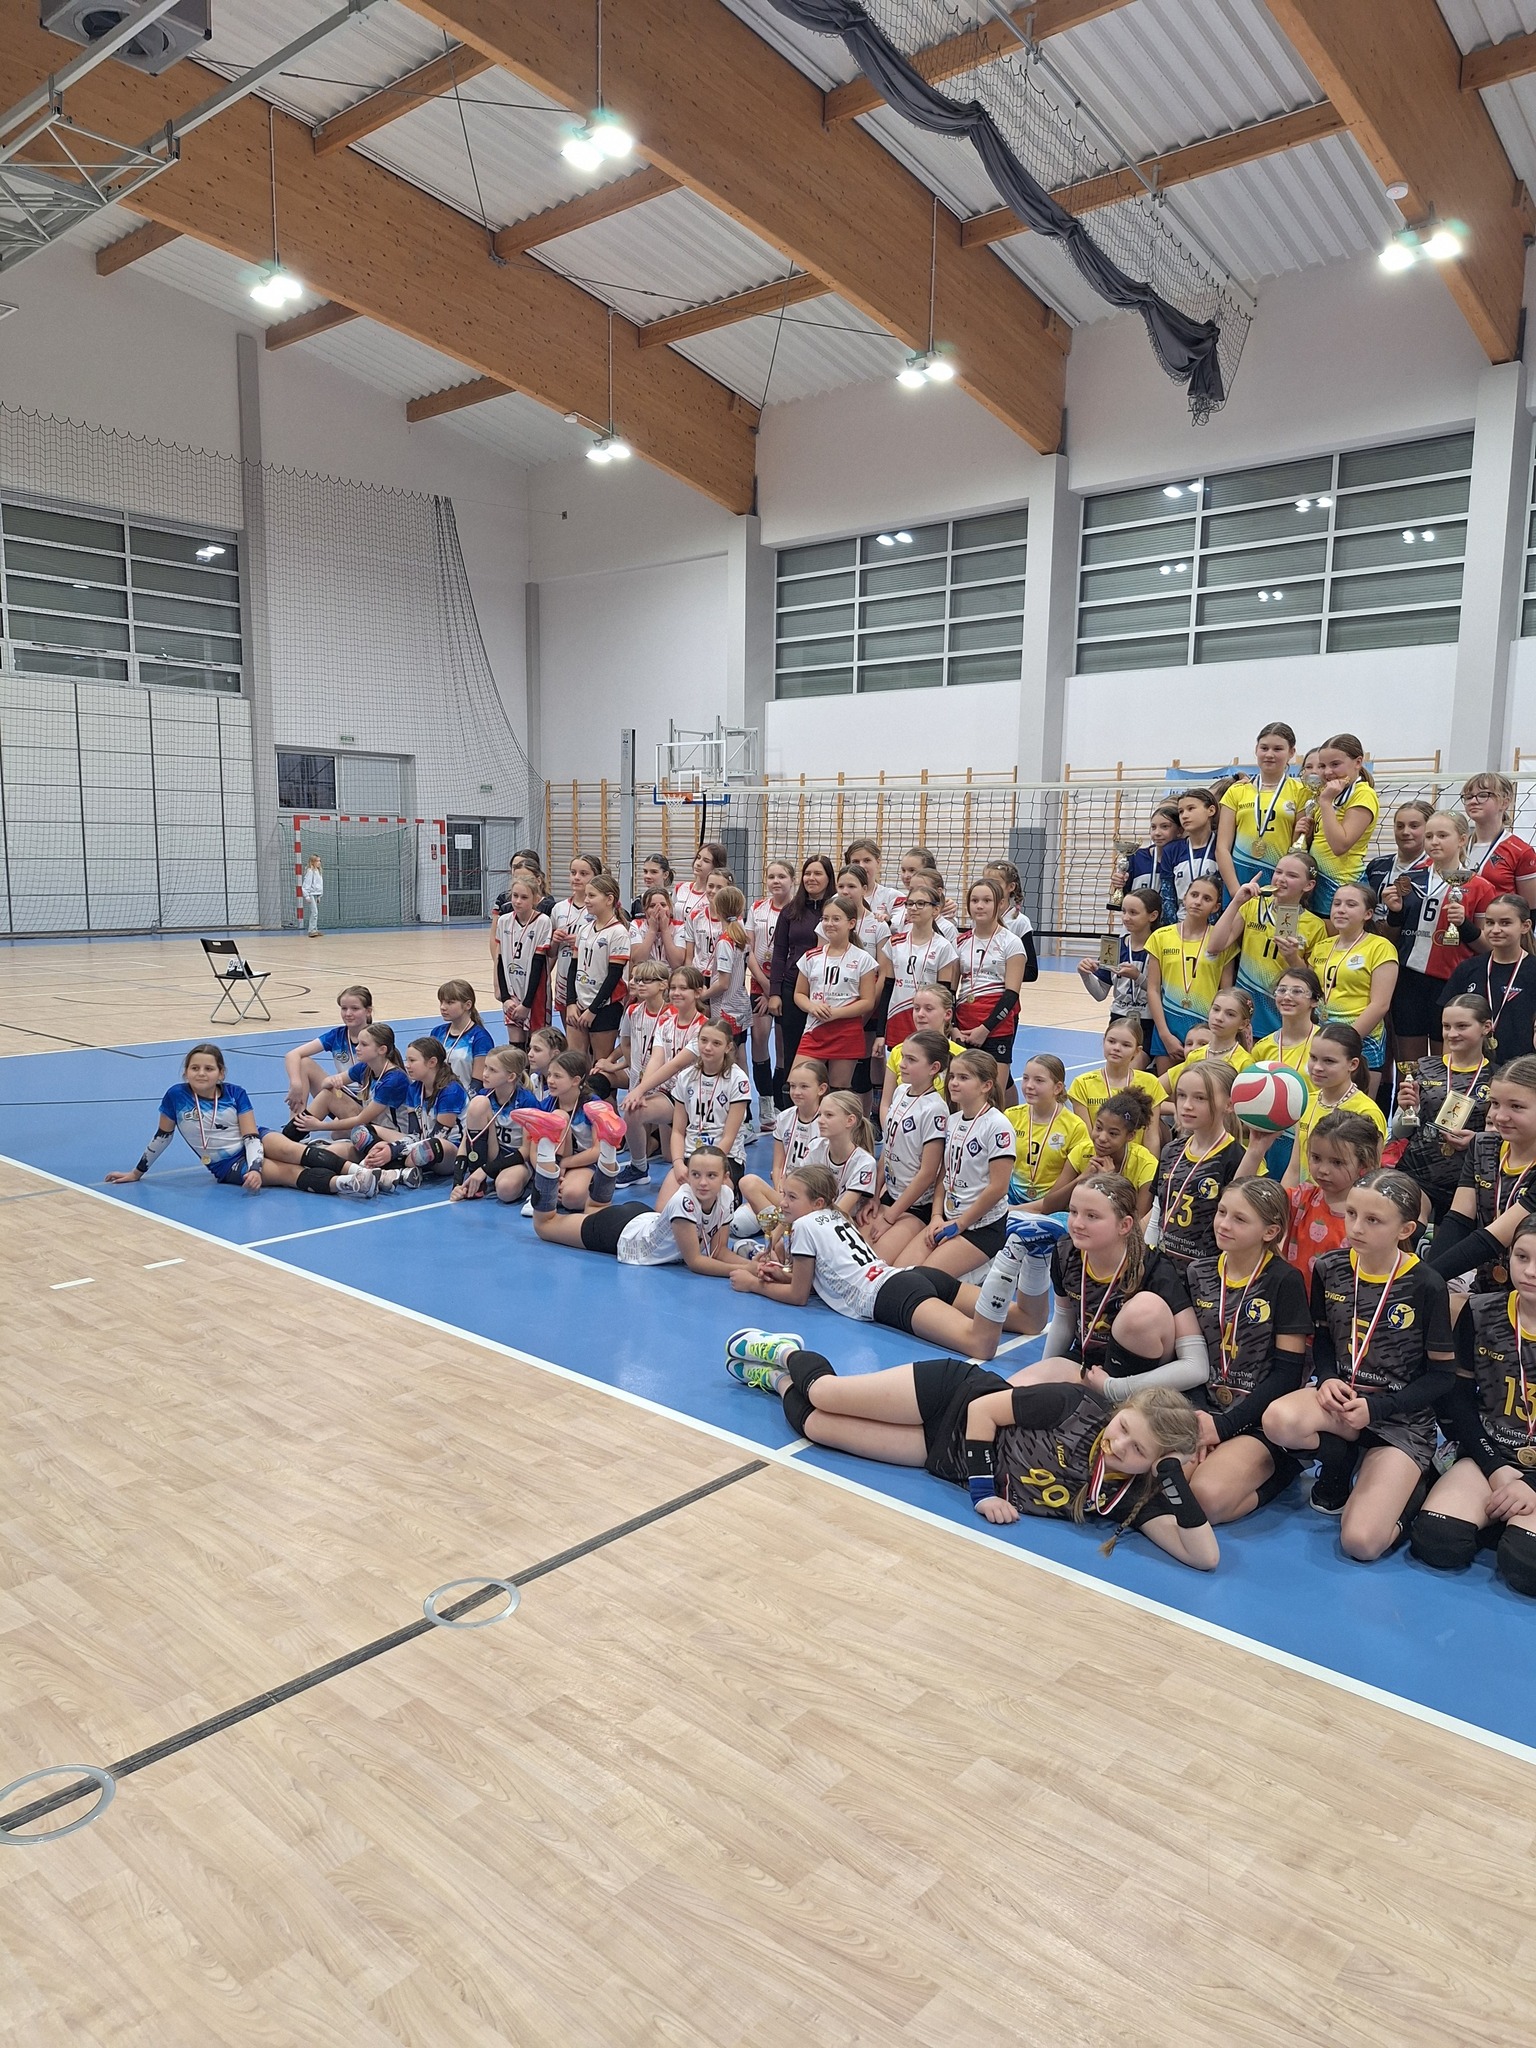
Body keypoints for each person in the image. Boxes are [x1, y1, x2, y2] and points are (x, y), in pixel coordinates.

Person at [725, 1336, 1216, 1567]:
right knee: (825, 1395)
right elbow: (984, 1410)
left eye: (1138, 1450)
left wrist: (1171, 1476)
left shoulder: (1131, 1495)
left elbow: (1204, 1556)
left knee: (816, 1426)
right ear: (1121, 1411)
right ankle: (787, 1352)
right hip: (951, 1396)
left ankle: (777, 1380)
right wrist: (983, 1492)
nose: (1119, 1445)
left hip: (941, 1456)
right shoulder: (1073, 1405)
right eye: (1124, 1427)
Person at [1264, 1171, 1454, 1558]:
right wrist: (1326, 1378)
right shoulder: (1329, 1267)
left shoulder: (1427, 1284)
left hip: (1399, 1418)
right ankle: (1342, 1459)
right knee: (1278, 1420)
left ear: (1406, 1229)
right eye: (1351, 1214)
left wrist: (1379, 1407)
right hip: (1342, 1404)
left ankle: (1414, 1488)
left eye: (1373, 1220)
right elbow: (1323, 1339)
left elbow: (1442, 1377)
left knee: (1361, 1543)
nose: (1356, 1228)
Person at [724, 1165, 1062, 1359]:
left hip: (891, 1295)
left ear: (817, 1203)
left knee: (980, 1344)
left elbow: (799, 1295)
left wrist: (754, 1284)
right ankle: (1037, 1258)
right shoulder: (836, 1216)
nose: (782, 1203)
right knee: (1029, 1321)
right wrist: (782, 1274)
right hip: (913, 1277)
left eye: (791, 1197)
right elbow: (814, 1280)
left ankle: (1014, 1254)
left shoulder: (804, 1226)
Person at [1410, 1213, 1536, 1595]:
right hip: (1492, 1453)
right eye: (1522, 1257)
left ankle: (1510, 1524)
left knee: (1525, 1565)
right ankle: (1503, 1516)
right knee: (1437, 1541)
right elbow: (1457, 1400)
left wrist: (1531, 1484)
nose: (1531, 1271)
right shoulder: (1481, 1310)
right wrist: (1495, 1468)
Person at [1182, 1178, 1311, 1524]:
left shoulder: (1284, 1280)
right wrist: (1201, 1417)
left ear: (1270, 1231)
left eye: (1240, 1219)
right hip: (1204, 1411)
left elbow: (1288, 1375)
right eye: (1222, 1212)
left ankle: (1286, 1468)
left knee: (1206, 1500)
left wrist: (1225, 1426)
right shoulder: (1198, 1272)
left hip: (1257, 1418)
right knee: (1163, 1482)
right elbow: (1188, 1357)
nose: (1224, 1224)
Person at [1011, 1173, 1208, 1398]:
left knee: (1144, 1309)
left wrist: (1114, 1388)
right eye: (1073, 1212)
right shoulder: (1066, 1253)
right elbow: (1064, 1321)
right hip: (1086, 1364)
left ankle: (1120, 1406)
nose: (1077, 1223)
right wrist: (1043, 1377)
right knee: (1008, 1395)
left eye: (1092, 1216)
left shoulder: (1154, 1268)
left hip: (1137, 1381)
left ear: (1124, 1225)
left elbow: (1196, 1366)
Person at [106, 1043, 380, 1198]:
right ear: (186, 1072)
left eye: (209, 1068)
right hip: (227, 1163)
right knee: (286, 1173)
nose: (201, 1073)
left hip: (254, 1143)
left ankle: (363, 1172)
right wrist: (136, 1173)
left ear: (221, 1073)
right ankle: (348, 1184)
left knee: (290, 1149)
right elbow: (162, 1137)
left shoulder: (235, 1093)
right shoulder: (175, 1097)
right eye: (195, 1068)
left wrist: (255, 1166)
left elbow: (251, 1137)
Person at [530, 1142, 755, 1278]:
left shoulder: (726, 1196)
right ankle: (546, 1151)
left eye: (711, 1176)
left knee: (595, 1210)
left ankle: (608, 1150)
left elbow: (719, 1252)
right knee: (545, 1225)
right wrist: (744, 1271)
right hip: (620, 1233)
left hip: (642, 1217)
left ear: (725, 1178)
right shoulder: (684, 1202)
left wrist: (755, 1266)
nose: (702, 1183)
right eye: (695, 1175)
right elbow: (695, 1261)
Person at [1381, 810, 1496, 1062]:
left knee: (1444, 1060)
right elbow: (1391, 936)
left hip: (1451, 981)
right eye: (1429, 836)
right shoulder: (1408, 880)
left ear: (1462, 839)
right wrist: (1395, 914)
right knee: (1409, 1063)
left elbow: (1487, 947)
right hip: (1409, 978)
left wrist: (1464, 925)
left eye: (1442, 835)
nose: (1434, 842)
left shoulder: (1480, 886)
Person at [892, 1049, 1017, 1278]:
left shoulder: (998, 1125)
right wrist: (936, 1216)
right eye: (952, 1077)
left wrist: (960, 1224)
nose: (954, 1083)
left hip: (980, 1227)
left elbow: (998, 1188)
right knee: (896, 1276)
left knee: (918, 1281)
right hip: (948, 1217)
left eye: (963, 1078)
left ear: (986, 1085)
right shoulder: (952, 1120)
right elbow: (944, 1175)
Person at [1427, 1055, 1536, 1291]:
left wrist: (1423, 1281)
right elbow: (1458, 1220)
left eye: (1516, 1106)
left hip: (1529, 1288)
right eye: (1495, 1103)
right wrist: (1425, 1275)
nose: (1500, 1117)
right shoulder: (1483, 1146)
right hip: (1487, 1285)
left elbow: (1492, 1238)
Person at [1241, 1024, 1385, 1189]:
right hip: (1304, 1200)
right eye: (1313, 1058)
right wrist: (1287, 1202)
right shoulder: (1306, 1101)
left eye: (1329, 1061)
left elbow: (1370, 1179)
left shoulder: (1366, 1112)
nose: (1317, 1067)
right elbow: (1294, 1170)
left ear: (1352, 1064)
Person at [1392, 994, 1494, 1222]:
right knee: (1407, 1229)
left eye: (1462, 1026)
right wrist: (1408, 1109)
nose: (1452, 1033)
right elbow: (1399, 1132)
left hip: (1467, 1180)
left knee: (1446, 1242)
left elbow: (1505, 1136)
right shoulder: (1424, 1066)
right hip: (1418, 1172)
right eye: (1446, 1026)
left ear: (1486, 1027)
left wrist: (1477, 1140)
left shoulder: (1497, 1076)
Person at [1205, 855, 1327, 1042]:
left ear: (1308, 885)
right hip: (1247, 1010)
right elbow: (1215, 946)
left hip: (1282, 1010)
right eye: (1278, 872)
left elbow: (1313, 983)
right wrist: (1237, 901)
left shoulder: (1315, 925)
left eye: (1292, 875)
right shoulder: (1253, 906)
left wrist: (1292, 958)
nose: (1281, 879)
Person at [618, 965, 707, 1182]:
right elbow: (657, 1060)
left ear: (697, 992)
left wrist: (640, 1089)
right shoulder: (666, 1024)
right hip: (671, 1095)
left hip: (697, 1100)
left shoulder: (703, 1028)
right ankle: (639, 1168)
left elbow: (675, 1065)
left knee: (672, 1157)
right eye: (674, 988)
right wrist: (641, 1092)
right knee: (633, 1111)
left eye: (683, 988)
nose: (676, 993)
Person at [1153, 1060, 1243, 1272]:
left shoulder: (1236, 1157)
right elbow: (1158, 1208)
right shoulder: (1170, 1151)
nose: (1187, 1105)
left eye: (1200, 1098)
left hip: (1207, 1272)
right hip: (1165, 1268)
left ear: (1229, 1104)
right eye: (1181, 1095)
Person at [865, 1030, 949, 1256]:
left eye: (911, 1060)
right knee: (854, 1248)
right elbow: (889, 1147)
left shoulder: (935, 1109)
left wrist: (890, 1217)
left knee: (877, 1259)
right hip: (891, 1194)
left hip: (916, 1204)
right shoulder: (901, 1091)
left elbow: (928, 1173)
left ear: (933, 1068)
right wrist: (874, 1194)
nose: (902, 1064)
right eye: (903, 1057)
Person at [1282, 1109, 1382, 1295]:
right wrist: (1256, 1150)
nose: (1323, 1170)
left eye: (1337, 1162)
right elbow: (1245, 1202)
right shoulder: (1301, 1199)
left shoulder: (1371, 1218)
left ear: (1364, 1165)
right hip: (1296, 1305)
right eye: (1316, 1158)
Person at [656, 1017, 752, 1204]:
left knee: (708, 1206)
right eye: (704, 1040)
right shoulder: (686, 1077)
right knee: (663, 1210)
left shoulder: (737, 1080)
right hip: (691, 1154)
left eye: (716, 1043)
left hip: (725, 1157)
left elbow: (729, 1136)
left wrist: (705, 1168)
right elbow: (678, 1131)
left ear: (728, 1047)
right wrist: (678, 1163)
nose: (708, 1048)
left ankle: (732, 1194)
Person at [736, 1056, 831, 1242]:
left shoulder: (826, 1122)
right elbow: (778, 1165)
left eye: (804, 1086)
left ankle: (781, 1233)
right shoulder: (784, 1118)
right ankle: (786, 1227)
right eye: (792, 1086)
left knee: (745, 1223)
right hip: (787, 1193)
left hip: (811, 1198)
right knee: (747, 1185)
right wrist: (780, 1189)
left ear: (821, 1089)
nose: (796, 1092)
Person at [1315, 882, 1399, 1091]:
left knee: (1355, 1108)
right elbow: (1314, 991)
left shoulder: (1380, 947)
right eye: (1337, 904)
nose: (1341, 909)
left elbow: (1380, 1004)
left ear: (1368, 914)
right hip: (1323, 1038)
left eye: (1351, 905)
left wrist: (1344, 1042)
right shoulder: (1322, 946)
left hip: (1362, 1042)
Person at [1144, 874, 1231, 1071]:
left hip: (1205, 1028)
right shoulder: (1161, 937)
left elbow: (1225, 993)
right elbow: (1153, 989)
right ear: (1185, 897)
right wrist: (1165, 1035)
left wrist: (1215, 1033)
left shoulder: (1221, 940)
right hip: (1169, 1027)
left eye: (1207, 898)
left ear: (1216, 907)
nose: (1198, 902)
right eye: (1194, 895)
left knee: (1203, 1085)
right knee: (1167, 1087)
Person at [792, 893, 879, 1091]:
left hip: (846, 1031)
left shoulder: (863, 959)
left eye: (836, 919)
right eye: (825, 918)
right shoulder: (810, 957)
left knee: (838, 1090)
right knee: (799, 1084)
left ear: (851, 923)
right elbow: (799, 994)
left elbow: (867, 1002)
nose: (829, 924)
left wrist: (836, 1013)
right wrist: (812, 1007)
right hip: (814, 1029)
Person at [768, 854, 836, 1098]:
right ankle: (791, 1106)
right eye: (807, 873)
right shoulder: (790, 911)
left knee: (826, 1051)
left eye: (818, 873)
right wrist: (775, 992)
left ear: (829, 878)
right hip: (793, 987)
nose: (811, 878)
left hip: (827, 990)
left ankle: (825, 1104)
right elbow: (779, 953)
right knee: (793, 1049)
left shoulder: (836, 909)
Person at [1441, 894, 1536, 1069]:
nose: (1495, 929)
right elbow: (1450, 1025)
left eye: (1505, 923)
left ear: (1525, 926)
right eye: (1490, 922)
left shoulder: (1532, 970)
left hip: (1523, 1069)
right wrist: (1450, 1070)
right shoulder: (1467, 969)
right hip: (1472, 1070)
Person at [352, 1036, 466, 1180]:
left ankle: (395, 1170)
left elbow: (438, 1136)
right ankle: (396, 1169)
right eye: (407, 1060)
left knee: (427, 1148)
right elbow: (415, 1133)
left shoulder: (451, 1091)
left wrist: (393, 1150)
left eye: (412, 1060)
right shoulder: (414, 1089)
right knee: (361, 1132)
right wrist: (390, 1147)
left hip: (449, 1150)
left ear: (432, 1062)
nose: (407, 1065)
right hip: (421, 1142)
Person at [1216, 722, 1309, 894]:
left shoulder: (1301, 792)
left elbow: (1299, 846)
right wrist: (1235, 891)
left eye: (1278, 749)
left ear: (1291, 752)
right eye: (1264, 748)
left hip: (1281, 882)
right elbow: (1222, 847)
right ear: (1256, 749)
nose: (1269, 754)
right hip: (1239, 879)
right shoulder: (1237, 791)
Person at [953, 878, 1027, 1088]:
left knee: (993, 1093)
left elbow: (1011, 994)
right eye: (974, 900)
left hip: (996, 1028)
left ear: (1000, 904)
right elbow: (949, 990)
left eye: (986, 900)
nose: (979, 906)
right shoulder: (960, 942)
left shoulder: (1011, 942)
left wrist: (985, 1029)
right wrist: (953, 1028)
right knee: (962, 1090)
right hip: (963, 1025)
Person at [452, 1044, 542, 1203]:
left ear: (511, 1077)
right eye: (485, 1067)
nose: (485, 1074)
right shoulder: (484, 1095)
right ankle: (475, 1184)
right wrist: (457, 1183)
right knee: (478, 1103)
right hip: (494, 1154)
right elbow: (468, 1139)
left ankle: (523, 1182)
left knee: (506, 1190)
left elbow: (526, 1151)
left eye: (492, 1070)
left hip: (518, 1159)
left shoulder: (527, 1101)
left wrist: (485, 1170)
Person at [1077, 886, 1161, 1047]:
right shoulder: (1113, 947)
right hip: (1118, 1018)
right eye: (1124, 911)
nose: (1126, 918)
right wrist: (1084, 974)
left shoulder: (1161, 948)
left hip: (1151, 1021)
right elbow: (1100, 994)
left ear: (1153, 915)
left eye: (1133, 913)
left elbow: (1162, 992)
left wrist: (1138, 977)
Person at [1005, 1054, 1090, 1211]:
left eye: (1039, 1080)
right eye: (1025, 1078)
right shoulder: (1010, 1116)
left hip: (1052, 1206)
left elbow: (1063, 1194)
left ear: (1057, 1088)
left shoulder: (1075, 1127)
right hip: (1011, 1196)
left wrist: (1012, 1211)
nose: (1029, 1085)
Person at [1307, 733, 1379, 917]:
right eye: (1322, 766)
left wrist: (1325, 802)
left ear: (1358, 762)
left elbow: (1340, 846)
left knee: (1334, 936)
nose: (1327, 772)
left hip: (1341, 884)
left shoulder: (1363, 794)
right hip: (1318, 881)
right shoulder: (1330, 793)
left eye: (1335, 764)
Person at [884, 877, 959, 1052]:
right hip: (898, 1014)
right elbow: (887, 987)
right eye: (910, 904)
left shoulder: (943, 946)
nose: (913, 908)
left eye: (920, 904)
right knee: (900, 1065)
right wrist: (881, 1032)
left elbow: (945, 992)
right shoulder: (894, 943)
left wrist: (949, 1026)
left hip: (929, 1017)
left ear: (935, 910)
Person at [282, 984, 373, 1123]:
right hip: (342, 1095)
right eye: (344, 1008)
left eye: (355, 1008)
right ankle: (296, 1122)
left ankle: (301, 1128)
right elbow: (292, 1055)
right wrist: (296, 1084)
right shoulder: (337, 1035)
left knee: (338, 1130)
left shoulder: (377, 1037)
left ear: (368, 1011)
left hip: (369, 1104)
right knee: (303, 1063)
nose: (348, 1013)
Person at [565, 873, 631, 1065]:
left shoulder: (618, 933)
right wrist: (571, 1003)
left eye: (592, 896)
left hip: (604, 1007)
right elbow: (573, 968)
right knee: (575, 1062)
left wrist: (593, 1010)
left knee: (600, 1065)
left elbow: (613, 976)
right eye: (586, 895)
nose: (586, 900)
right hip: (579, 1004)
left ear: (609, 899)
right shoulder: (584, 930)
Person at [1065, 1090, 1160, 1221]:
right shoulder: (1082, 1151)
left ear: (1130, 1136)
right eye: (1098, 1128)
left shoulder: (1146, 1165)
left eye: (1113, 1133)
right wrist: (1082, 1179)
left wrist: (1109, 1182)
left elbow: (1136, 1224)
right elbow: (1048, 1206)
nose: (1102, 1138)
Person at [879, 982, 965, 1123]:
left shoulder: (960, 1055)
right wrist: (889, 1131)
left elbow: (964, 1109)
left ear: (948, 1014)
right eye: (916, 1008)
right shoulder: (898, 1051)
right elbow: (886, 1104)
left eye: (928, 1009)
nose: (920, 1014)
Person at [748, 860, 794, 1113]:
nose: (776, 881)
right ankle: (765, 1100)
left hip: (786, 985)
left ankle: (779, 1102)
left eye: (782, 876)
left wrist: (776, 990)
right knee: (758, 1039)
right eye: (771, 876)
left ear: (792, 880)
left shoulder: (797, 910)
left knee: (783, 1046)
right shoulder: (757, 908)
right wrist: (767, 987)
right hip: (760, 982)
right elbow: (748, 951)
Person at [1068, 1016, 1167, 1125]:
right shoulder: (1082, 1084)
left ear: (1137, 1051)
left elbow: (1151, 1133)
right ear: (1104, 1041)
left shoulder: (1151, 1083)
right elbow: (1085, 1134)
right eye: (1111, 1041)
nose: (1117, 1048)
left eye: (1126, 1045)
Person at [1460, 772, 1536, 906]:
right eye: (1468, 797)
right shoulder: (1459, 846)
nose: (1473, 801)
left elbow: (1530, 908)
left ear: (1504, 802)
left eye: (1483, 795)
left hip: (1498, 919)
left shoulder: (1521, 851)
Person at [803, 1089, 878, 1220]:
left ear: (850, 1120)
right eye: (820, 1114)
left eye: (829, 1115)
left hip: (838, 1221)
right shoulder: (815, 1147)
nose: (820, 1120)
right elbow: (802, 1191)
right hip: (812, 1214)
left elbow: (839, 1212)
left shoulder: (865, 1163)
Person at [497, 875, 553, 1046]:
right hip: (512, 990)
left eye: (524, 897)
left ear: (535, 899)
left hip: (535, 993)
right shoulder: (504, 921)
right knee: (516, 1047)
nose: (518, 901)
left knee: (537, 1045)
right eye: (515, 896)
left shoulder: (543, 922)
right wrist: (506, 998)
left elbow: (538, 964)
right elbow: (501, 961)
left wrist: (527, 1004)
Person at [548, 853, 602, 1021]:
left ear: (596, 876)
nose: (576, 877)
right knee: (571, 1032)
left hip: (591, 980)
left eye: (583, 874)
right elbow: (551, 953)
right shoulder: (559, 908)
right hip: (565, 977)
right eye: (573, 873)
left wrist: (581, 941)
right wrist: (555, 940)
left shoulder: (600, 908)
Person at [1125, 802, 1183, 927]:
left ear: (1180, 830)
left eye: (1165, 827)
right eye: (1153, 827)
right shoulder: (1136, 857)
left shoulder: (1184, 861)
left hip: (1172, 927)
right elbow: (1123, 896)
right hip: (1139, 928)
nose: (1157, 833)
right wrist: (1118, 884)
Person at [1167, 787, 1224, 910]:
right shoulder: (1172, 850)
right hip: (1182, 919)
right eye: (1181, 811)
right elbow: (1168, 898)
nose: (1184, 816)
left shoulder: (1223, 846)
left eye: (1191, 809)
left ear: (1211, 810)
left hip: (1215, 920)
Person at [432, 979, 494, 1092]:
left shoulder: (480, 1038)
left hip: (464, 1097)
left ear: (467, 1005)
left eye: (450, 1002)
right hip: (437, 1095)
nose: (443, 1007)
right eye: (441, 1002)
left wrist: (464, 1099)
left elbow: (478, 1081)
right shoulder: (437, 1032)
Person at [301, 853, 324, 936]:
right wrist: (307, 896)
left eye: (319, 861)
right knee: (314, 912)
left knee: (315, 913)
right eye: (317, 861)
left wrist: (319, 896)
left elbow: (319, 885)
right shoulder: (310, 871)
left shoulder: (318, 871)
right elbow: (306, 884)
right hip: (311, 894)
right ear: (312, 862)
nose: (319, 862)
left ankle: (315, 929)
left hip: (316, 894)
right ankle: (311, 930)